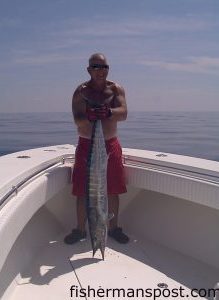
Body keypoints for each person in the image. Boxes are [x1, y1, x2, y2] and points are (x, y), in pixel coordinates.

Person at [64, 53, 129, 245]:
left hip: (110, 145)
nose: (100, 71)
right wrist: (89, 116)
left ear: (108, 68)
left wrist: (108, 111)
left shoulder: (116, 89)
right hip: (87, 146)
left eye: (104, 67)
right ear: (88, 69)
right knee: (83, 190)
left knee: (113, 189)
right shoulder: (80, 91)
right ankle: (80, 230)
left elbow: (124, 113)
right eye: (96, 67)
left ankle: (114, 228)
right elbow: (77, 119)